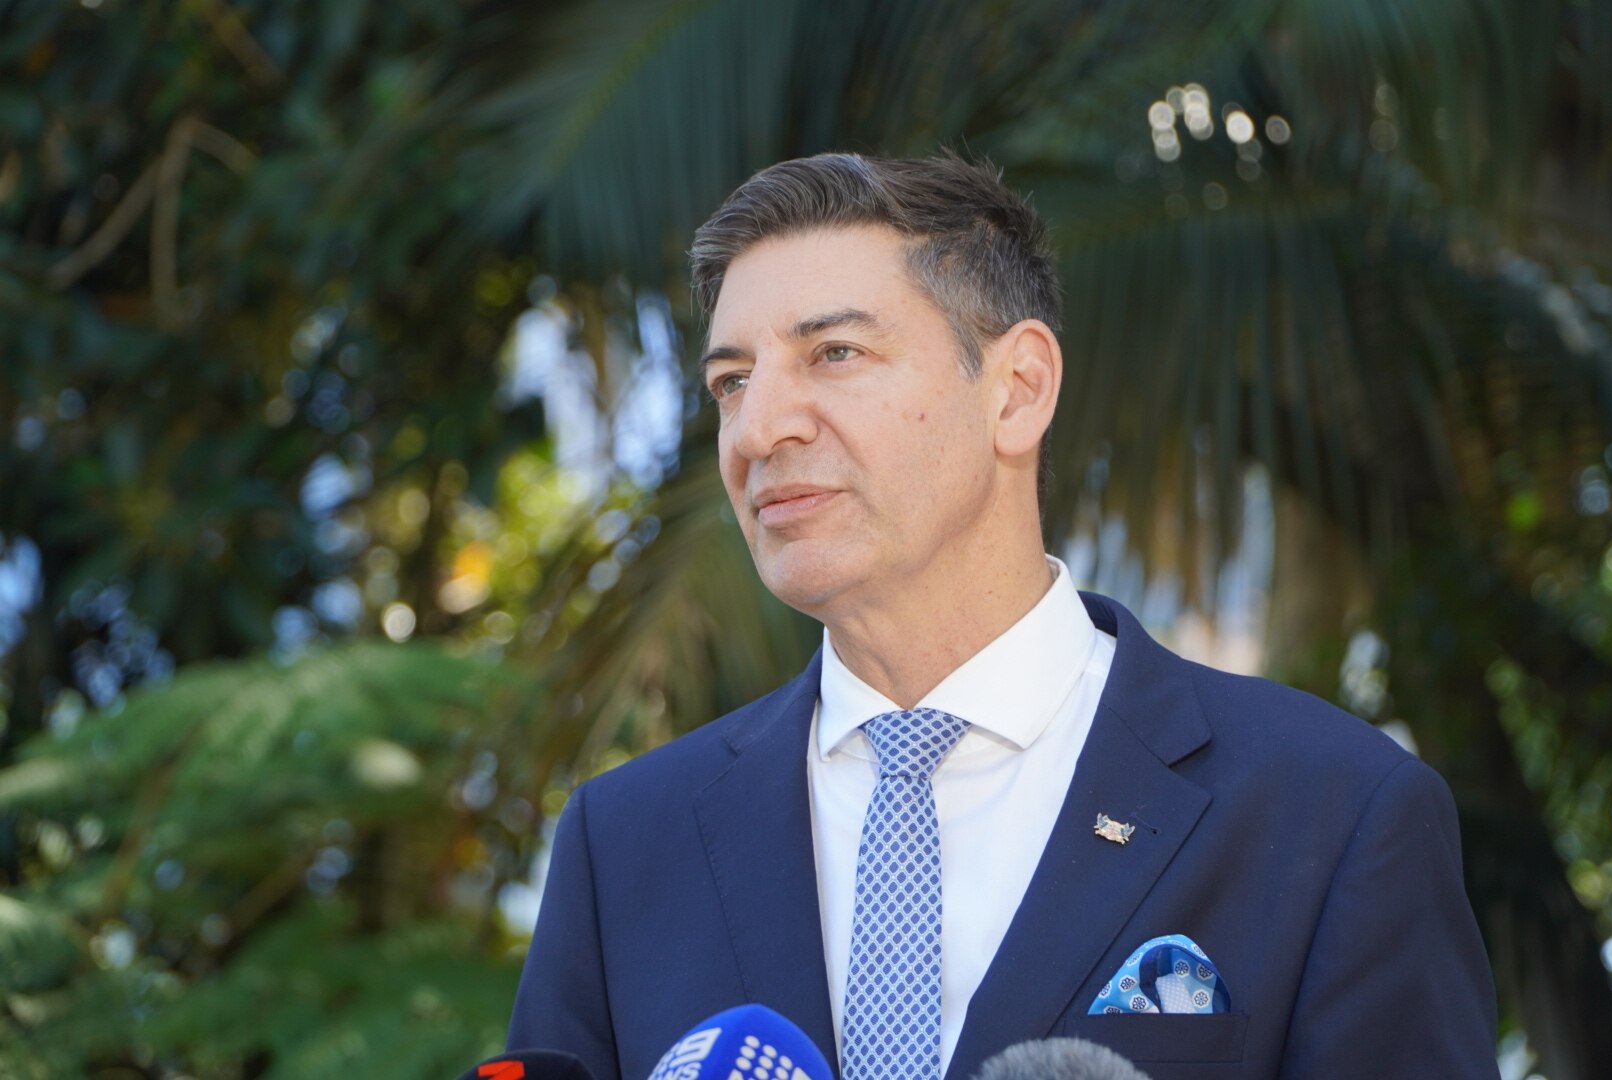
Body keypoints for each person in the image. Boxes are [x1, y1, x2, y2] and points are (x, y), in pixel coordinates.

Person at [506, 152, 1497, 1080]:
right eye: (731, 383)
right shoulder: (626, 842)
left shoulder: (1330, 809)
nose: (760, 429)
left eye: (835, 353)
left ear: (1016, 391)